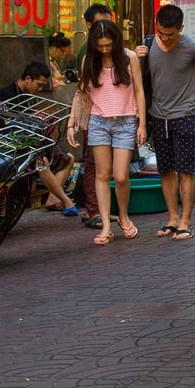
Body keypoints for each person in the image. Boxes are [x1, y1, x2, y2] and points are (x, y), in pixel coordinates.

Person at [136, 4, 195, 241]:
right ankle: (172, 218)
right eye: (161, 32)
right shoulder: (149, 44)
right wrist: (138, 57)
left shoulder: (193, 47)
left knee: (185, 171)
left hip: (184, 115)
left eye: (170, 34)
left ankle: (186, 221)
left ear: (180, 29)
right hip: (158, 115)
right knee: (166, 171)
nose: (165, 38)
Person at [66, 20, 146, 245]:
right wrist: (72, 122)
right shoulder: (88, 60)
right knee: (102, 174)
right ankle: (106, 226)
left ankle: (123, 216)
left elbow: (139, 91)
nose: (104, 49)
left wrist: (142, 124)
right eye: (100, 46)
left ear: (116, 41)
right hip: (98, 121)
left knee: (121, 176)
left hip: (126, 122)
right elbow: (81, 93)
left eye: (108, 45)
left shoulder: (129, 57)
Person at [0, 61, 77, 216]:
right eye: (38, 85)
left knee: (69, 158)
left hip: (31, 140)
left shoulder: (27, 95)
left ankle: (54, 199)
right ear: (28, 78)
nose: (39, 89)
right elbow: (1, 126)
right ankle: (66, 201)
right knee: (41, 162)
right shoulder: (7, 94)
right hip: (14, 145)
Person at [77, 3, 115, 230]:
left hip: (111, 115)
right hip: (93, 114)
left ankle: (101, 209)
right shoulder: (88, 52)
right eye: (101, 23)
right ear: (90, 25)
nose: (105, 27)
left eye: (108, 22)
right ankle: (93, 210)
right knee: (93, 164)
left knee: (105, 167)